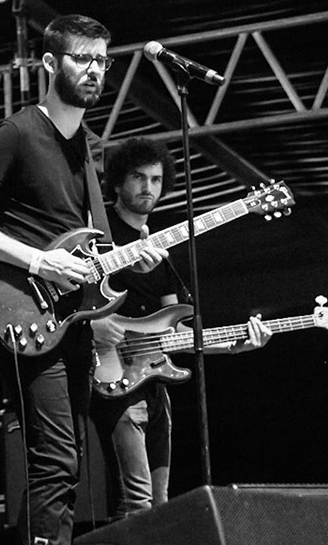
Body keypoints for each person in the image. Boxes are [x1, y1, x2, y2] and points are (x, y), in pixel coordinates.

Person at [0, 13, 160, 545]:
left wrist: (132, 253)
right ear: (49, 63)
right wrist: (40, 259)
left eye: (102, 60)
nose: (95, 69)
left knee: (68, 462)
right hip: (25, 310)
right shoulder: (17, 134)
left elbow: (92, 253)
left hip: (74, 320)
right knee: (56, 458)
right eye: (83, 58)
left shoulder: (88, 145)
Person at [88, 137, 268, 518]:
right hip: (115, 380)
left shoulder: (158, 250)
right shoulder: (96, 234)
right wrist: (95, 327)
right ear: (117, 182)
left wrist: (236, 345)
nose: (147, 188)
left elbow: (177, 333)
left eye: (155, 180)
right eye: (138, 177)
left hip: (154, 386)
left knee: (160, 506)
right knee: (135, 504)